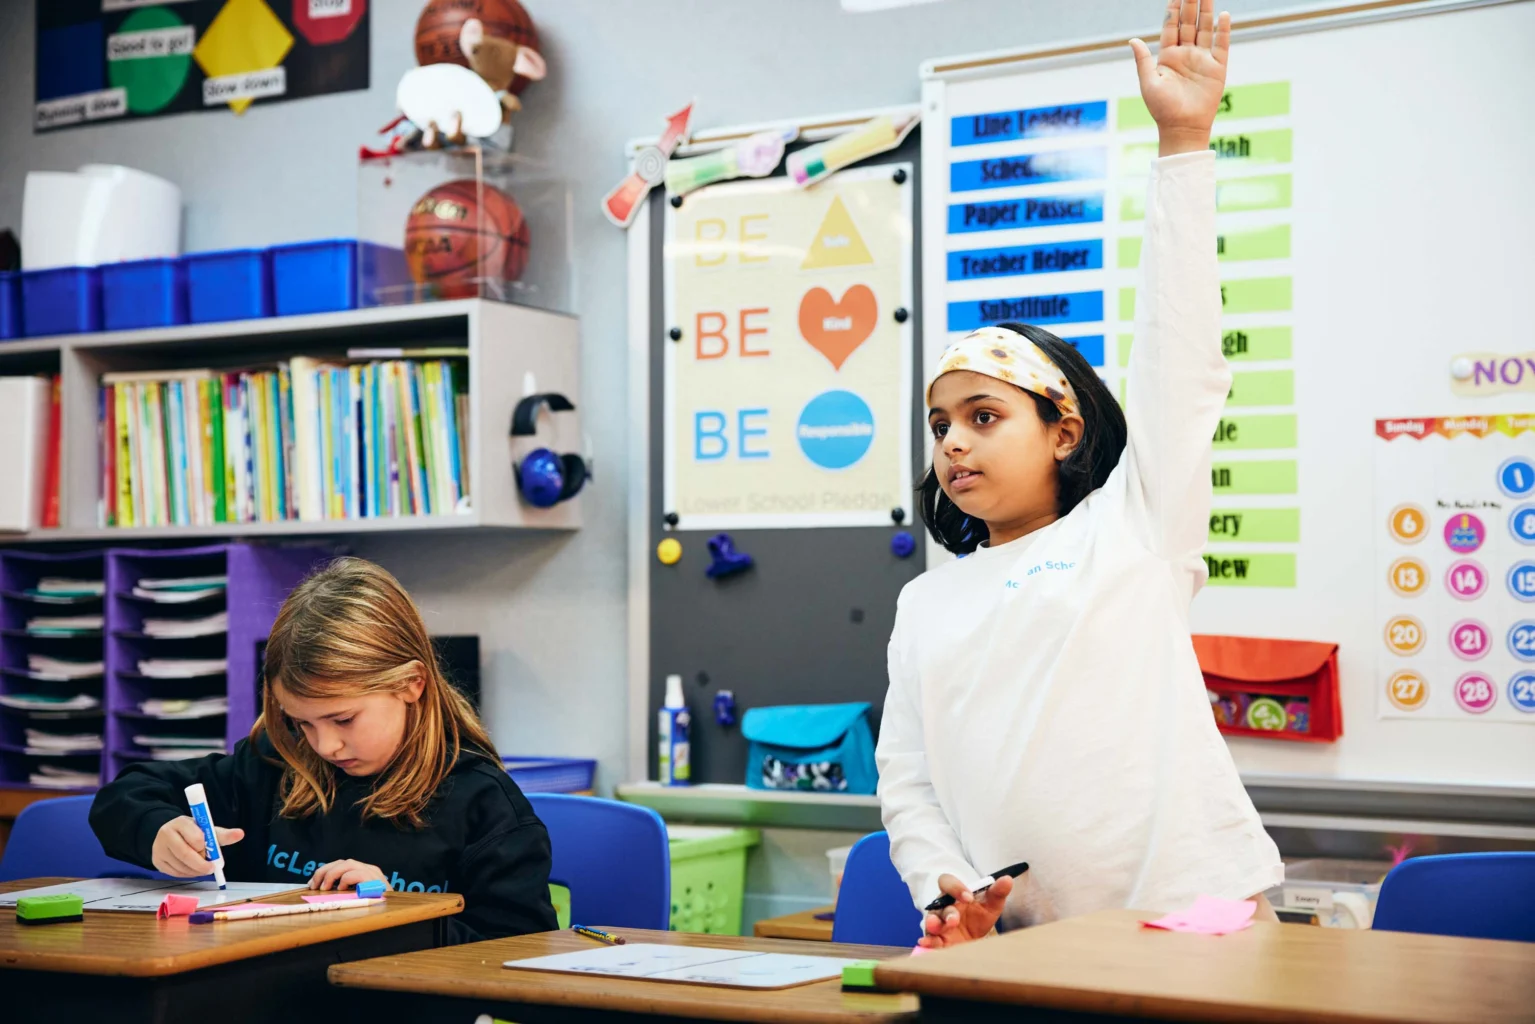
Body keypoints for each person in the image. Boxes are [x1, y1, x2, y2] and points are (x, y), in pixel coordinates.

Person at [877, 0, 1283, 948]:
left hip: (1192, 922)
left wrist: (1182, 140)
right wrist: (945, 887)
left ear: (1063, 432)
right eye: (941, 425)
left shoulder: (1134, 528)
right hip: (1019, 937)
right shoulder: (926, 605)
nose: (954, 446)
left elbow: (1182, 363)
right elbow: (908, 785)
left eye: (985, 417)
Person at [91, 557, 557, 943]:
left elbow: (517, 952)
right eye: (302, 722)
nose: (325, 745)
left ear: (412, 684)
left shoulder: (483, 805)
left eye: (343, 719)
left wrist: (397, 916)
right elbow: (125, 796)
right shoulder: (274, 766)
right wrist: (159, 831)